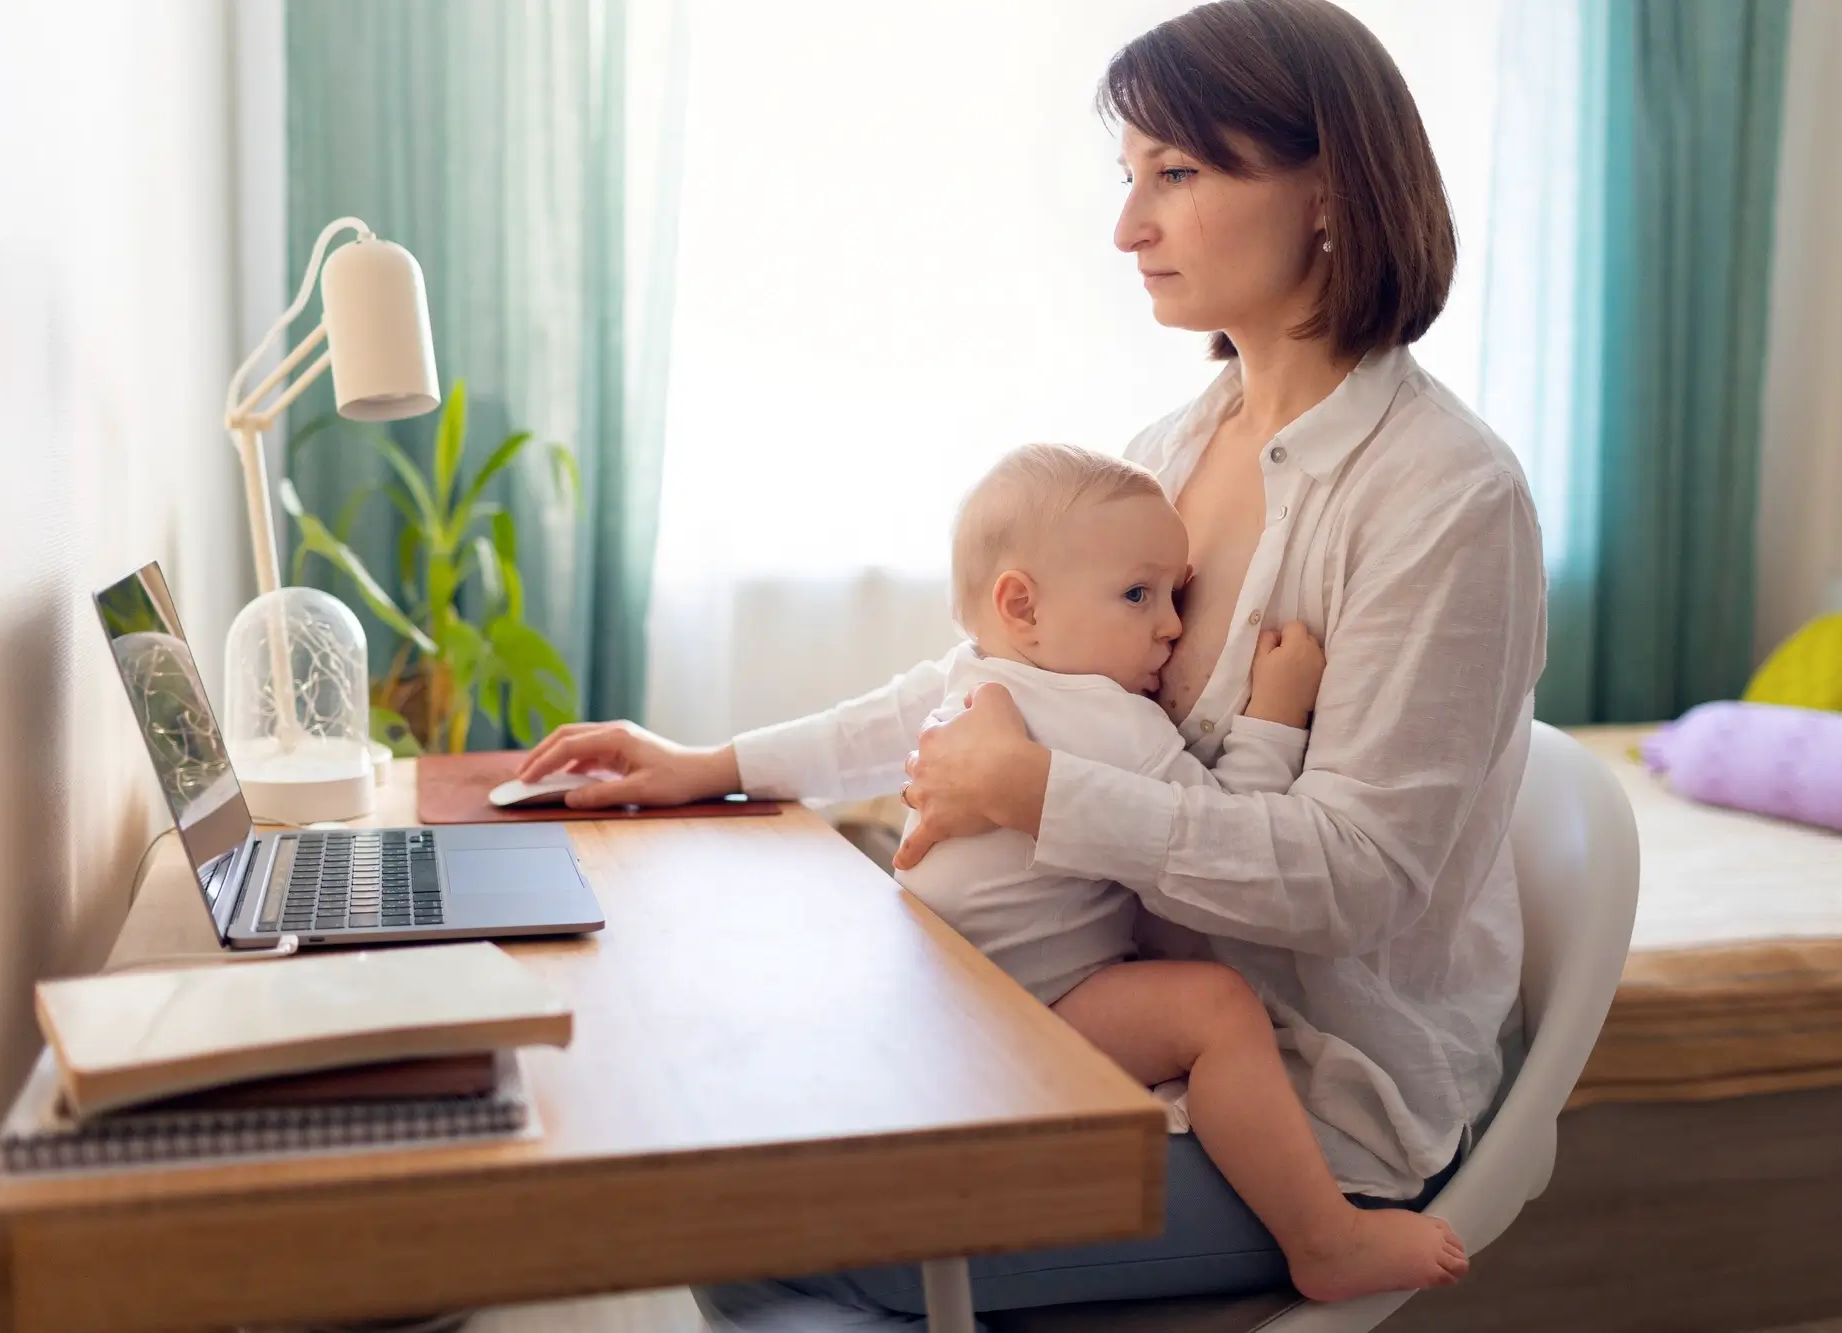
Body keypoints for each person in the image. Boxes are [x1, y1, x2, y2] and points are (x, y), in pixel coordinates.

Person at [517, 0, 1547, 1318]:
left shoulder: (1446, 502)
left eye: (1176, 173)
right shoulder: (1172, 449)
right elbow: (992, 684)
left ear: (1329, 186)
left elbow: (1358, 880)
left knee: (780, 1230)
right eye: (1129, 177)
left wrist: (1031, 792)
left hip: (1302, 1111)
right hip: (1092, 1025)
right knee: (730, 1157)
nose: (1128, 228)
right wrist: (707, 762)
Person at [892, 439, 1467, 1301]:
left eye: (1177, 595)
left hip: (939, 995)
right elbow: (1230, 821)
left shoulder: (973, 677)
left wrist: (720, 765)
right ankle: (1327, 1238)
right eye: (1140, 595)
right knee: (1217, 1010)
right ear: (1023, 605)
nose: (1171, 624)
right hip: (1022, 1010)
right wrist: (1275, 713)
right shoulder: (1114, 720)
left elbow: (863, 728)